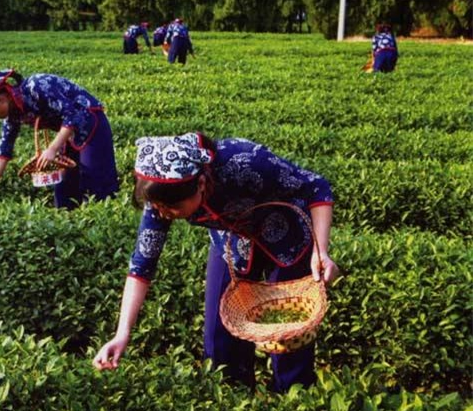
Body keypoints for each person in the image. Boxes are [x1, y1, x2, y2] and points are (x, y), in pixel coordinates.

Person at [92, 132, 339, 392]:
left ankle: (293, 397)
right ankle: (233, 396)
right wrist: (122, 334)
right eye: (160, 207)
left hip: (286, 233)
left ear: (200, 185)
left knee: (288, 332)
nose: (165, 214)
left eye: (172, 209)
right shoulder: (162, 195)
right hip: (232, 240)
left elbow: (316, 185)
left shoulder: (245, 161)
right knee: (220, 336)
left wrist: (321, 251)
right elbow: (142, 264)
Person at [0, 69, 119, 209]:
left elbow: (72, 114)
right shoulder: (13, 114)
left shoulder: (37, 86)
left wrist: (52, 149)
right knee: (64, 188)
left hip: (91, 123)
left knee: (95, 184)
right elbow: (3, 151)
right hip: (68, 133)